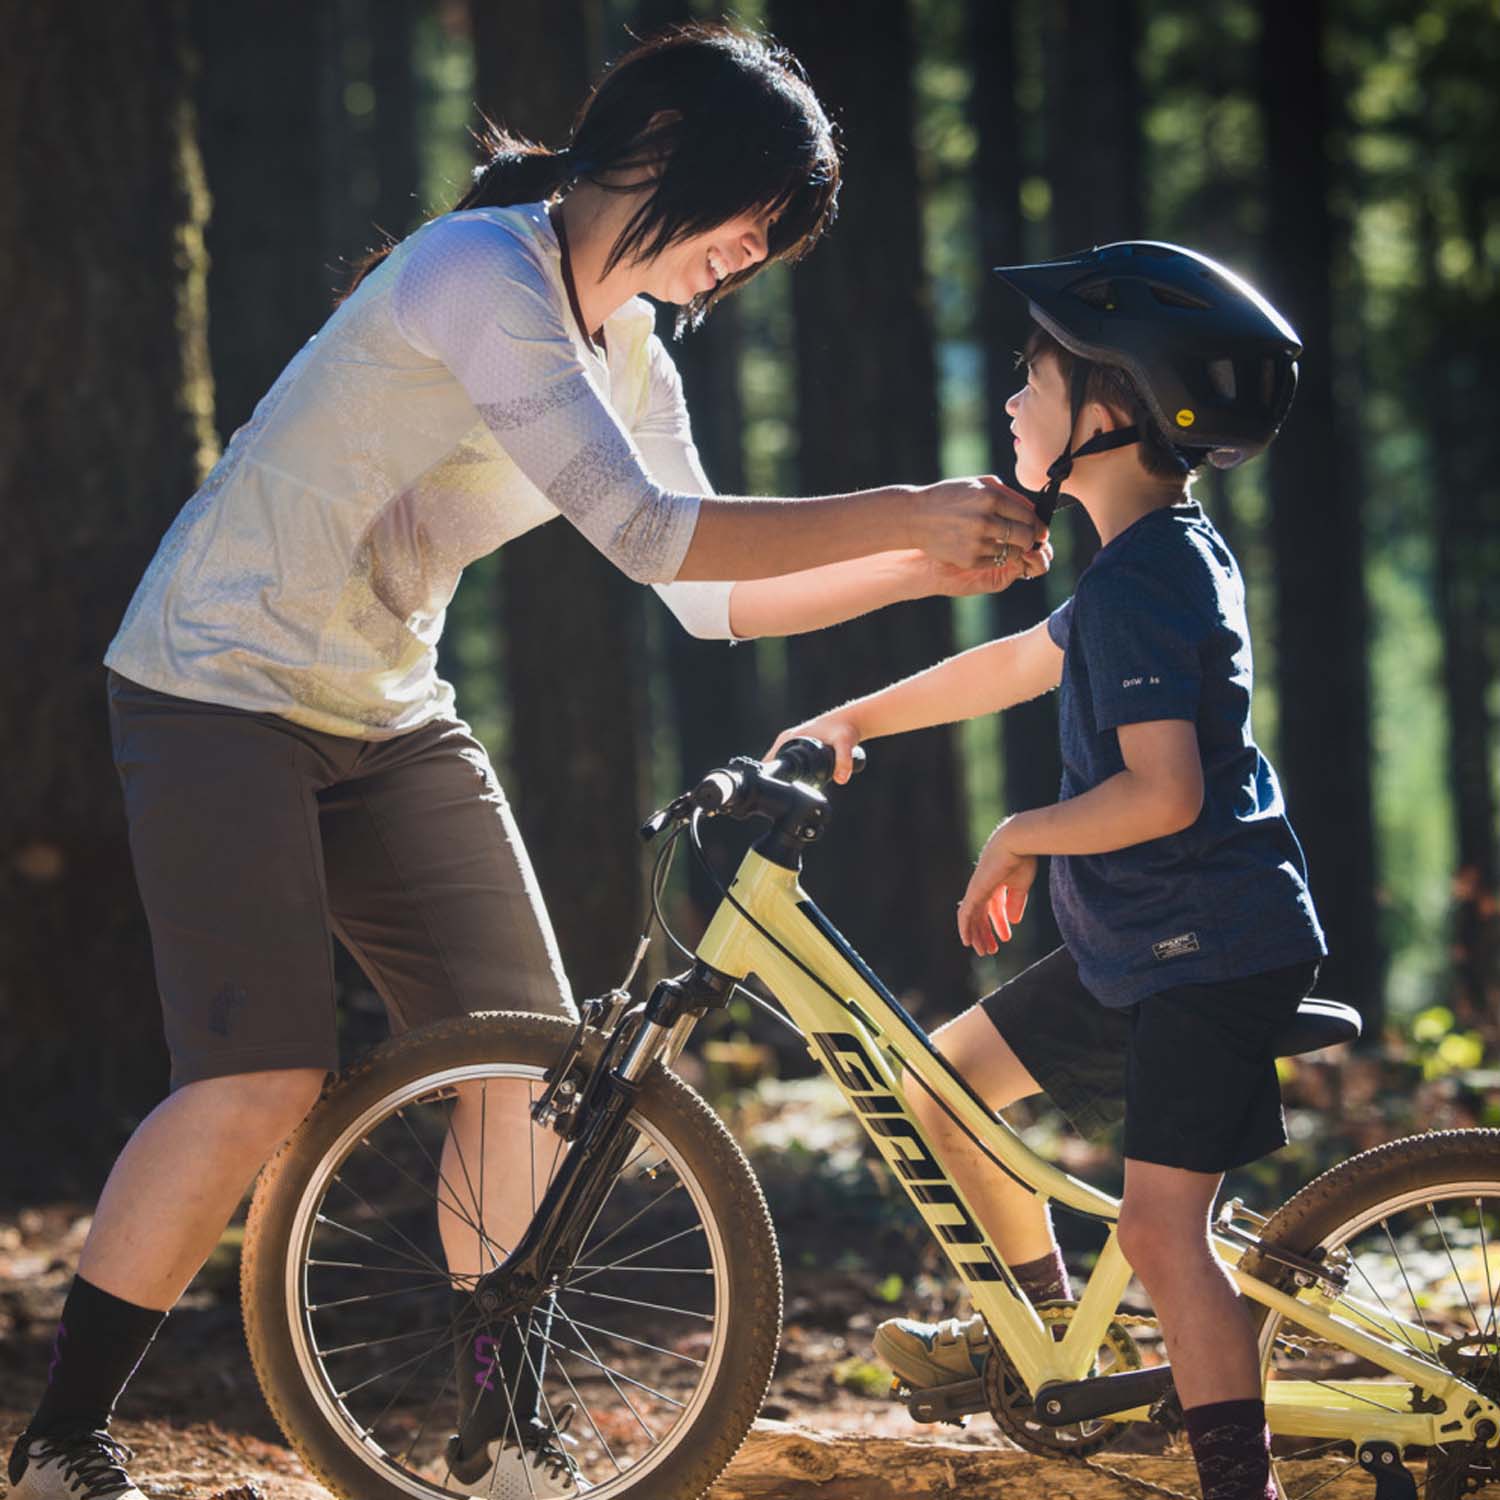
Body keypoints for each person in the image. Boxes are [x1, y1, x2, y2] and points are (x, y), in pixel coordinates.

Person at [6, 23, 1051, 1500]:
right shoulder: (475, 271)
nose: (753, 255)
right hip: (213, 684)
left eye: (778, 239)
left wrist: (924, 564)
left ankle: (500, 1434)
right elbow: (645, 533)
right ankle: (62, 1439)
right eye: (756, 213)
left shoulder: (629, 349)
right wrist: (905, 508)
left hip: (384, 709)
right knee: (258, 1077)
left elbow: (709, 600)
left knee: (529, 1065)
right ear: (661, 146)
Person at [775, 240, 1325, 1500]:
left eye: (1034, 376)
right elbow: (1020, 662)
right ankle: (1047, 1344)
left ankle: (1239, 1484)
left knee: (1163, 1235)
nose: (1013, 398)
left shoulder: (1148, 577)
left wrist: (1019, 832)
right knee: (945, 1087)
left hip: (1205, 952)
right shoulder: (1152, 559)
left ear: (1113, 406)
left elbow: (1164, 793)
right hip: (1154, 942)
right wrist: (853, 717)